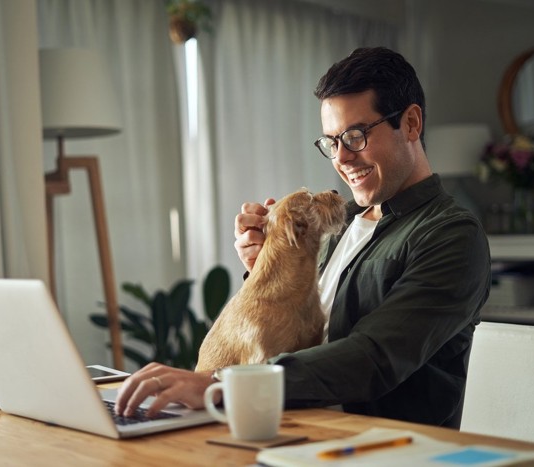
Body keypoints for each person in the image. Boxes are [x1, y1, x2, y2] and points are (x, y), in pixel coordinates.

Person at [114, 46, 491, 428]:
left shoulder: (452, 235)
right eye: (331, 142)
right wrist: (266, 267)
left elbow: (373, 358)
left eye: (356, 135)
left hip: (373, 446)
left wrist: (220, 385)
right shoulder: (338, 222)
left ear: (411, 123)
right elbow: (301, 328)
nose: (341, 158)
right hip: (285, 426)